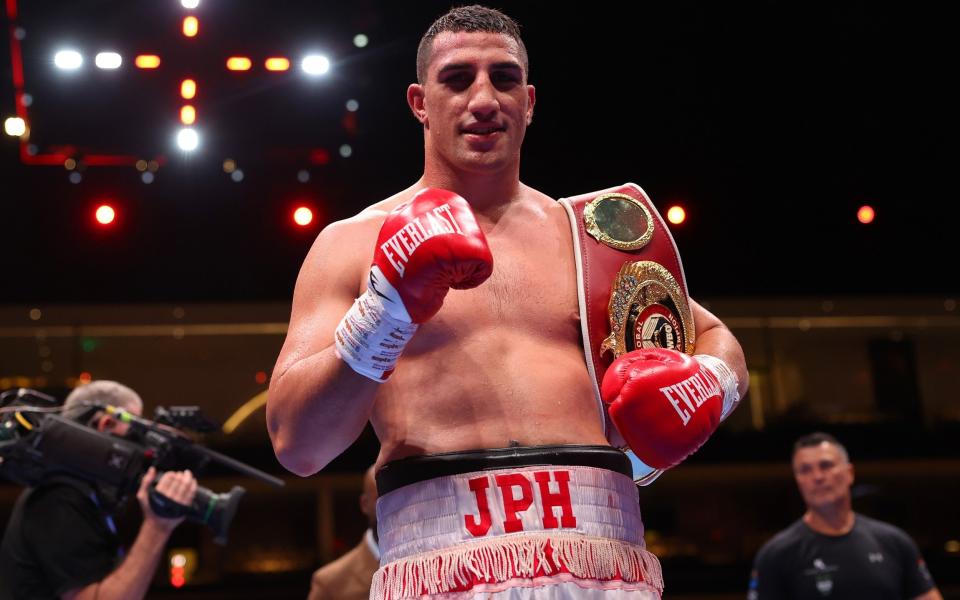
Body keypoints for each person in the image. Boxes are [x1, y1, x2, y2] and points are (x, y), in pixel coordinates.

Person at [267, 5, 748, 598]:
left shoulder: (589, 235)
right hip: (442, 558)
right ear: (420, 102)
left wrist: (708, 384)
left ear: (530, 100)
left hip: (603, 559)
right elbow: (297, 444)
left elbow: (720, 342)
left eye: (504, 77)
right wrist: (384, 311)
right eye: (457, 78)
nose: (485, 98)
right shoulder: (354, 243)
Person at [0, 380, 198, 600]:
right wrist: (157, 527)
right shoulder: (59, 497)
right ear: (106, 424)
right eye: (134, 432)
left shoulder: (80, 494)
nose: (139, 447)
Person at [748, 432, 942, 600]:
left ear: (849, 473)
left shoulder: (894, 542)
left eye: (826, 465)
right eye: (805, 470)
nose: (817, 477)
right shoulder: (775, 554)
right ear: (797, 480)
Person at [308, 465, 380, 600]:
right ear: (365, 504)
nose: (394, 505)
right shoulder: (330, 583)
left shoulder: (427, 562)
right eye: (382, 497)